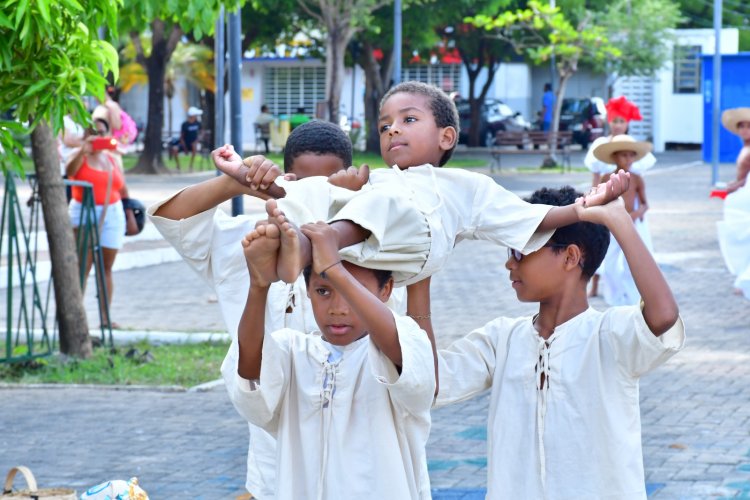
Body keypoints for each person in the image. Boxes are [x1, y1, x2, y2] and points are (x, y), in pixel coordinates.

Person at [427, 186, 684, 499]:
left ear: (570, 256)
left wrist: (621, 223)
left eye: (521, 250)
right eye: (509, 251)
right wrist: (419, 278)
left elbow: (663, 314)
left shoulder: (609, 335)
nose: (510, 263)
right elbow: (428, 379)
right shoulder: (502, 340)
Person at [148, 120, 355, 498]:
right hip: (276, 464)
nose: (313, 200)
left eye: (327, 187)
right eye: (301, 186)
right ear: (285, 181)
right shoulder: (249, 241)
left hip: (359, 454)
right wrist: (240, 181)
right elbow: (173, 218)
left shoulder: (375, 247)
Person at [223, 217, 435, 499]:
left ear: (385, 290)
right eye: (323, 291)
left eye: (352, 290)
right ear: (307, 290)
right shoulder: (293, 351)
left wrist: (333, 267)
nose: (338, 309)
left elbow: (410, 366)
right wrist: (258, 286)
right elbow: (250, 373)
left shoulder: (400, 343)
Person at [66, 114, 131, 329]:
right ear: (85, 135)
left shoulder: (112, 158)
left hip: (112, 212)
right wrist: (83, 150)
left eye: (102, 132)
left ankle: (105, 319)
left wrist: (130, 211)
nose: (98, 137)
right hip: (84, 213)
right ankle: (76, 320)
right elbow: (68, 173)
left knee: (106, 267)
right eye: (93, 132)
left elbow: (122, 187)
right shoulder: (79, 155)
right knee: (83, 265)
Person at [590, 134, 654, 306]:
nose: (629, 159)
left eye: (632, 155)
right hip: (611, 227)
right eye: (624, 155)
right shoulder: (606, 178)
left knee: (632, 265)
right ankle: (614, 299)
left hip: (631, 227)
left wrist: (636, 214)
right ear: (615, 156)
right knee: (609, 263)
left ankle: (632, 299)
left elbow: (645, 204)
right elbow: (598, 200)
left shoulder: (637, 178)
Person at [584, 96, 656, 186]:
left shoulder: (633, 145)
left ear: (627, 123)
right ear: (609, 122)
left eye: (622, 121)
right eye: (615, 121)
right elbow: (596, 176)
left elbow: (637, 179)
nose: (618, 126)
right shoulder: (601, 143)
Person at [717, 107, 750, 299]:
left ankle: (745, 277)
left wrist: (734, 186)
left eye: (748, 126)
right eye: (741, 126)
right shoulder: (744, 148)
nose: (745, 130)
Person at [170, 106, 203, 171]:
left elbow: (202, 132)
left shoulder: (198, 123)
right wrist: (184, 148)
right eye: (195, 115)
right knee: (175, 149)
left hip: (193, 144)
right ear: (192, 115)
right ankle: (178, 166)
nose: (196, 116)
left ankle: (191, 166)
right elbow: (181, 137)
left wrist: (197, 140)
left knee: (194, 146)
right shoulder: (185, 124)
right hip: (184, 144)